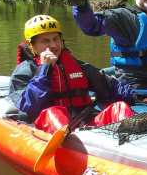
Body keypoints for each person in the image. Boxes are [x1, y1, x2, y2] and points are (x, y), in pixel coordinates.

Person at [9, 15, 138, 133]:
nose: (53, 45)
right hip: (50, 125)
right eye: (45, 41)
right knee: (53, 113)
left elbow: (108, 86)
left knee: (119, 107)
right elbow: (30, 106)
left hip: (84, 121)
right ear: (32, 45)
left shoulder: (75, 65)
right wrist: (45, 70)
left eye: (56, 39)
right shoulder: (24, 70)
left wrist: (138, 96)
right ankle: (71, 145)